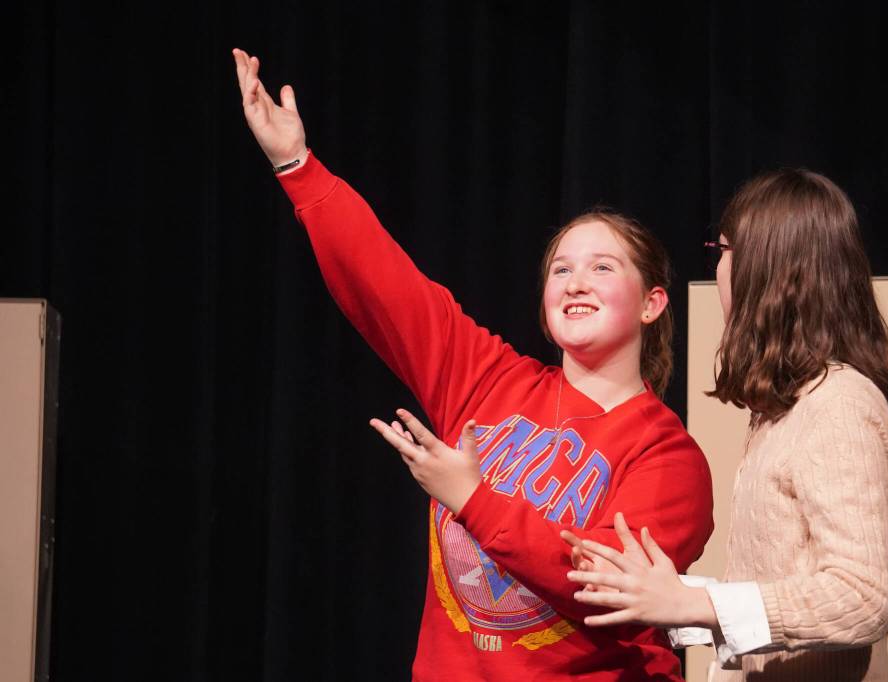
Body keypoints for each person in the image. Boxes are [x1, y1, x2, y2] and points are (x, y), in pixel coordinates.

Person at [231, 48, 713, 681]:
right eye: (560, 269)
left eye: (602, 267)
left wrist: (472, 497)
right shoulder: (491, 381)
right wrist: (297, 166)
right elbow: (389, 287)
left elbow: (604, 586)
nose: (575, 283)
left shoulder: (667, 455)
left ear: (652, 303)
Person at [564, 169, 888, 681]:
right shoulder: (790, 406)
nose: (720, 267)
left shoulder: (838, 405)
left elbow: (862, 595)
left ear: (768, 268)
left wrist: (700, 606)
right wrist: (677, 596)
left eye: (723, 251)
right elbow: (779, 583)